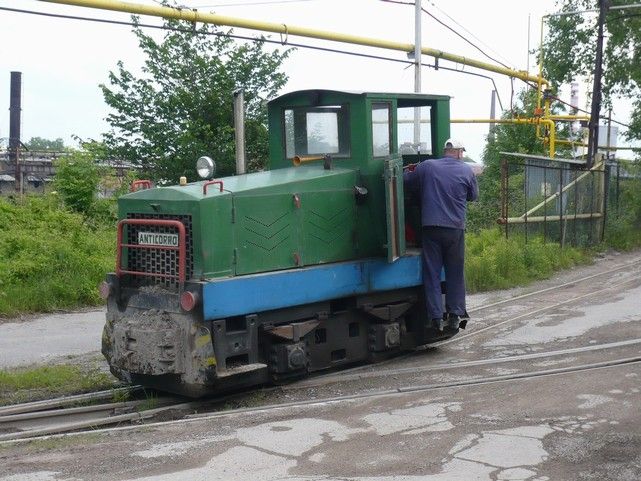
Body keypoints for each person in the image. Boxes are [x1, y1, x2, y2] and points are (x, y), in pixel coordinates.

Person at [403, 139, 479, 332]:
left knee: (432, 274)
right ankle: (454, 316)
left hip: (431, 229)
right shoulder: (466, 171)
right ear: (460, 152)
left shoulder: (427, 167)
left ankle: (435, 318)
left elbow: (405, 180)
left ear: (445, 151)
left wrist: (411, 169)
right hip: (455, 230)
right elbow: (473, 196)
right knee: (455, 273)